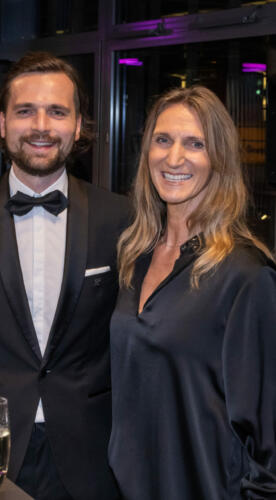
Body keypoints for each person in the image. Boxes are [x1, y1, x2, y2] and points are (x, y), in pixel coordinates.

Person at [0, 51, 129, 500]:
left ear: (78, 125)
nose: (41, 126)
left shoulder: (119, 217)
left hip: (90, 454)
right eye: (25, 111)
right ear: (2, 122)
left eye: (57, 112)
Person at [108, 85, 276, 499]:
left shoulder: (246, 276)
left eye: (195, 144)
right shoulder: (134, 256)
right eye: (163, 140)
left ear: (220, 159)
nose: (174, 158)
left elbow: (269, 451)